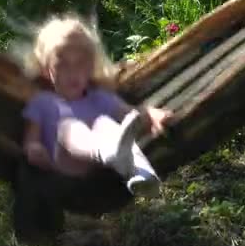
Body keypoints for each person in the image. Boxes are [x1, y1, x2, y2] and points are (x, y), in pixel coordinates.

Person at [18, 13, 172, 198]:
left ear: (91, 67)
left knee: (107, 124)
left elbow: (133, 116)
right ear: (45, 69)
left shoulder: (100, 98)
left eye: (80, 64)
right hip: (65, 171)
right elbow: (30, 139)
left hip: (101, 171)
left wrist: (154, 115)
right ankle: (109, 153)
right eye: (62, 64)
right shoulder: (43, 102)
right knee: (69, 126)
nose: (72, 72)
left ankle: (145, 176)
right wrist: (34, 149)